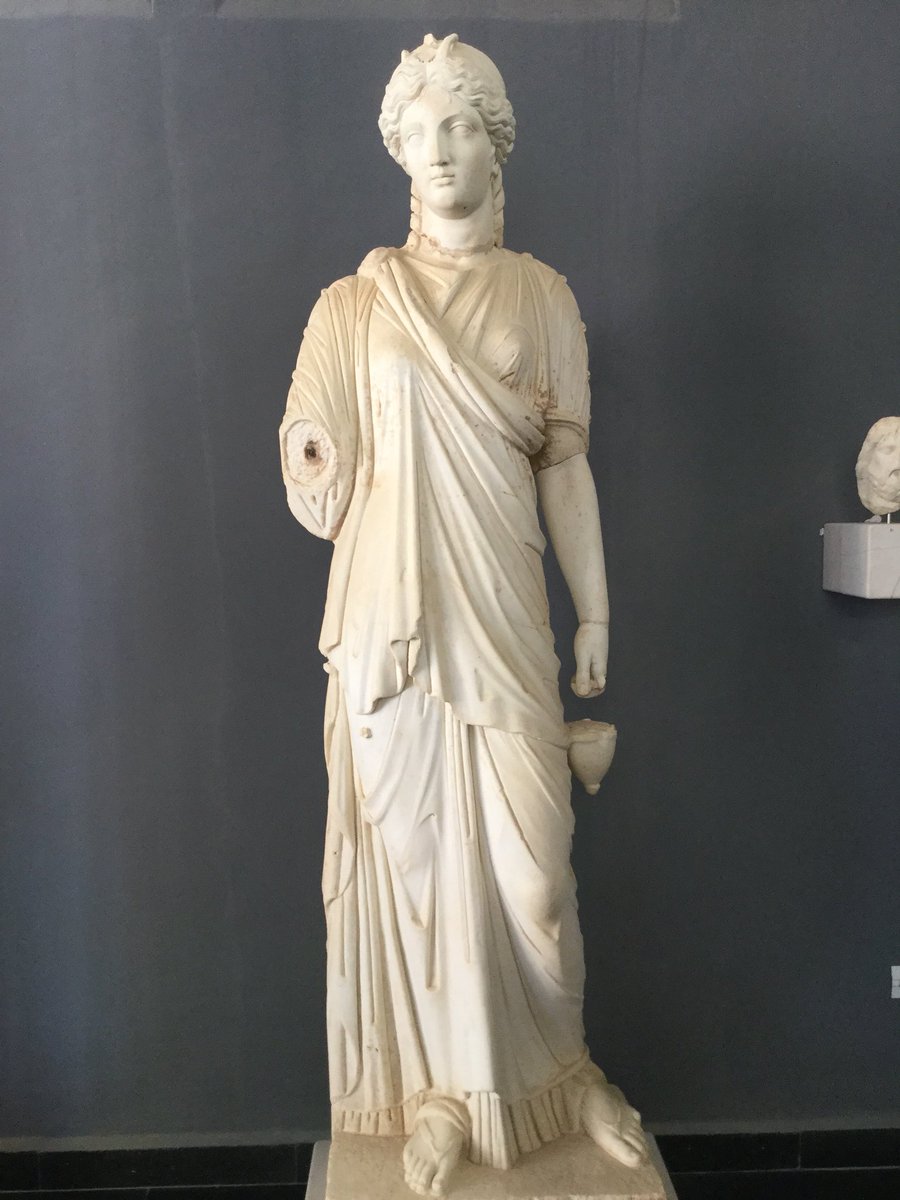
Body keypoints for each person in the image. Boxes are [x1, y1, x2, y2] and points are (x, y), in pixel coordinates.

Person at [280, 33, 648, 1198]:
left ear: (497, 146)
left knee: (537, 883)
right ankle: (441, 1097)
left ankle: (566, 1080)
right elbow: (313, 450)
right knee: (424, 876)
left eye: (462, 128)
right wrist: (313, 451)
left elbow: (566, 469)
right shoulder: (354, 305)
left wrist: (594, 615)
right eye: (420, 132)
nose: (440, 151)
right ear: (397, 151)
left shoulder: (543, 297)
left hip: (503, 610)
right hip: (391, 626)